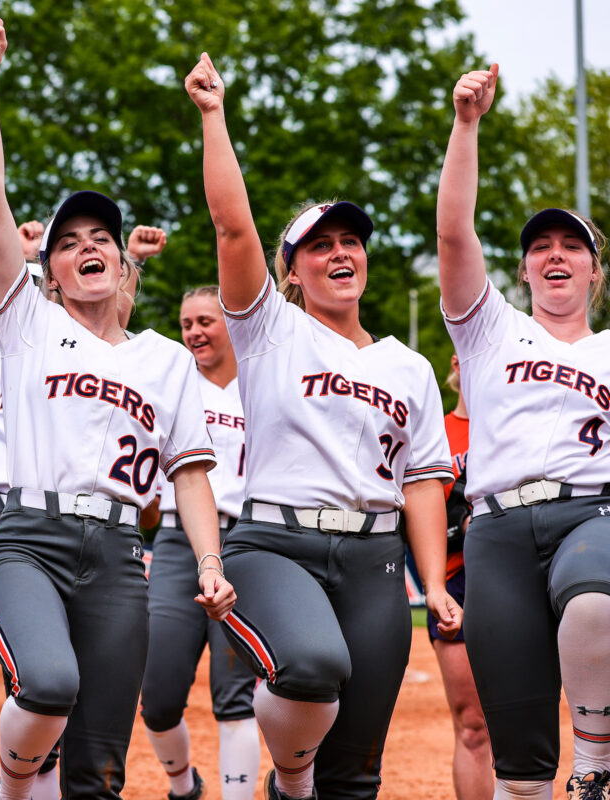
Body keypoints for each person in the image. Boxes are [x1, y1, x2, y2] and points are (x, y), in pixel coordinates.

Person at [0, 20, 233, 800]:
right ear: (47, 270)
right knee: (47, 683)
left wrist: (208, 564)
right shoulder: (29, 324)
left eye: (102, 237)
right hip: (30, 539)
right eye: (67, 239)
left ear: (121, 261)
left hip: (122, 559)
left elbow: (189, 476)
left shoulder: (166, 359)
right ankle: (13, 789)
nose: (88, 245)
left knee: (100, 773)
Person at [185, 53, 459, 800]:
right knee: (310, 666)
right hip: (277, 544)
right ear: (293, 271)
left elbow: (425, 481)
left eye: (350, 242)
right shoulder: (268, 329)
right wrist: (214, 116)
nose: (341, 252)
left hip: (376, 564)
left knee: (359, 775)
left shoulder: (409, 366)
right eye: (319, 245)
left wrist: (431, 582)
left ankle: (308, 784)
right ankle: (291, 778)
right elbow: (232, 228)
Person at [0, 118, 162, 741]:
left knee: (59, 703)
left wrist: (139, 264)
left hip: (69, 519)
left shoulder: (92, 362)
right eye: (64, 252)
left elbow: (119, 322)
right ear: (43, 277)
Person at [437, 63, 610, 800]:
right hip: (499, 531)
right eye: (542, 247)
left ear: (596, 273)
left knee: (596, 601)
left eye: (572, 247)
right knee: (521, 763)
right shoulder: (489, 332)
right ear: (523, 270)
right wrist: (466, 126)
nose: (556, 255)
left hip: (592, 509)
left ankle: (597, 761)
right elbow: (452, 233)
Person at [141, 284, 259, 800]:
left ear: (231, 324)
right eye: (187, 323)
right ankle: (182, 783)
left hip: (247, 542)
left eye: (205, 321)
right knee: (159, 695)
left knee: (234, 696)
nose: (193, 332)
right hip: (174, 544)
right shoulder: (174, 382)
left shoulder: (261, 385)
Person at [432, 355, 493, 800]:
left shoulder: (516, 423)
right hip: (459, 582)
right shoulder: (435, 430)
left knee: (526, 722)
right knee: (473, 725)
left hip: (521, 574)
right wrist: (460, 526)